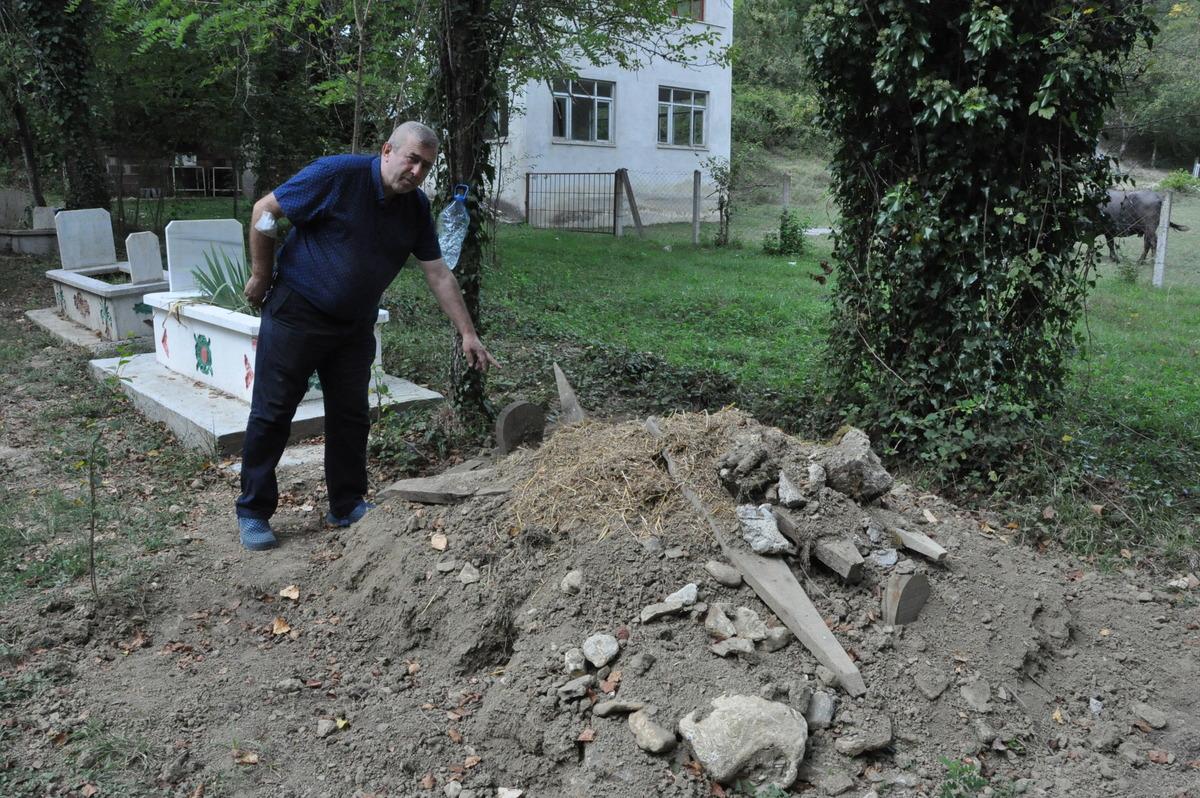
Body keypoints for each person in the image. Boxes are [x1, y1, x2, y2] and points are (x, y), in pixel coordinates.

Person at [235, 121, 496, 551]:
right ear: (386, 150)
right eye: (411, 159)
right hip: (296, 313)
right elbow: (266, 210)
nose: (416, 172)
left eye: (426, 166)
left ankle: (346, 503)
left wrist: (467, 332)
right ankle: (253, 512)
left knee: (351, 415)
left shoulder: (414, 209)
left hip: (354, 326)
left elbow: (437, 272)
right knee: (273, 412)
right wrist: (262, 275)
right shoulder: (338, 175)